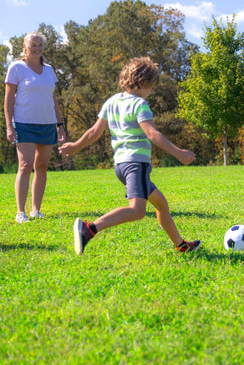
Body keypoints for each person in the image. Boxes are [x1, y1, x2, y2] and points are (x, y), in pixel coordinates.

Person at [58, 56, 201, 255]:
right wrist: (179, 153)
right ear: (143, 83)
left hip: (121, 165)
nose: (151, 92)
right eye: (151, 87)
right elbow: (152, 134)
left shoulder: (112, 102)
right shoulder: (140, 105)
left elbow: (94, 132)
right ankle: (89, 229)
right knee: (137, 210)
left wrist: (74, 146)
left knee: (161, 204)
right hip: (136, 164)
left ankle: (181, 245)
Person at [4, 31, 66, 223]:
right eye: (33, 45)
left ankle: (36, 210)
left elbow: (53, 99)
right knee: (25, 165)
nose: (37, 48)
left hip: (47, 124)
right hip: (24, 123)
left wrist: (60, 125)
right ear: (25, 47)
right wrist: (9, 126)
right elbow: (8, 99)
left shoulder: (49, 69)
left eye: (40, 45)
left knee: (41, 166)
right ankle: (20, 212)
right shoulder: (16, 67)